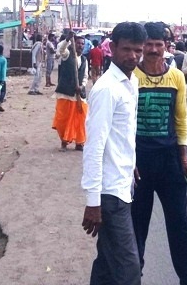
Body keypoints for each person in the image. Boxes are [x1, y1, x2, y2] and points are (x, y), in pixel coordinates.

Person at [131, 22, 187, 284]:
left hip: (170, 161)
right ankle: (134, 277)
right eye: (148, 44)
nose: (153, 49)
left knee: (179, 226)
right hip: (139, 164)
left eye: (158, 44)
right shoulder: (131, 77)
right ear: (142, 47)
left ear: (166, 47)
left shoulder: (176, 77)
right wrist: (129, 161)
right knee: (137, 228)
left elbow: (181, 120)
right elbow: (124, 123)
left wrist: (183, 158)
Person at [82, 22, 146, 285]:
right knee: (129, 269)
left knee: (108, 264)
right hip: (109, 193)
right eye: (127, 49)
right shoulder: (107, 89)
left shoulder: (131, 83)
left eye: (137, 51)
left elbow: (120, 136)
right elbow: (94, 146)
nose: (132, 56)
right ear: (113, 48)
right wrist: (93, 201)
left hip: (122, 183)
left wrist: (131, 163)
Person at [53, 33, 89, 151]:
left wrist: (82, 86)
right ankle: (64, 142)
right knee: (64, 119)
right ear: (74, 44)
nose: (80, 45)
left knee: (81, 119)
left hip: (78, 95)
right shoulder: (67, 55)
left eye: (82, 44)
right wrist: (67, 39)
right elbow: (60, 50)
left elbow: (85, 76)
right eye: (78, 43)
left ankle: (79, 143)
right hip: (66, 93)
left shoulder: (84, 60)